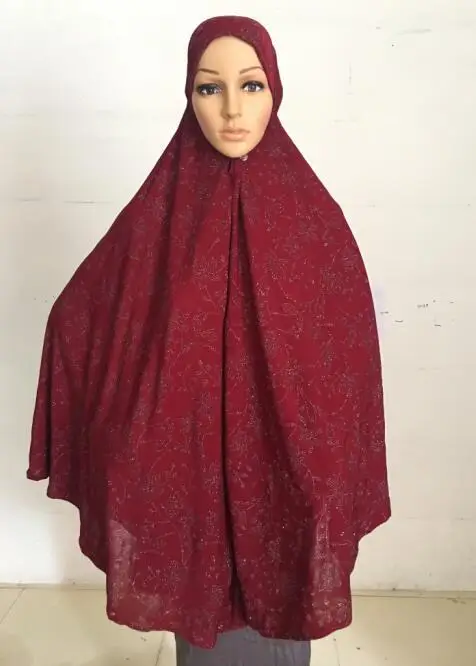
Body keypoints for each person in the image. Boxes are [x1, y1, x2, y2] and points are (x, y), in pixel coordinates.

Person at [27, 15, 391, 666]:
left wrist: (326, 456)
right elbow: (87, 307)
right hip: (190, 464)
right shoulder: (160, 211)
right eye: (208, 87)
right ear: (188, 94)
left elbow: (347, 350)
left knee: (280, 622)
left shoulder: (315, 220)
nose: (230, 110)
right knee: (204, 629)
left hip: (283, 467)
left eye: (250, 86)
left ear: (275, 89)